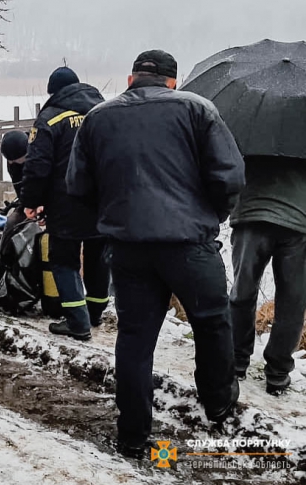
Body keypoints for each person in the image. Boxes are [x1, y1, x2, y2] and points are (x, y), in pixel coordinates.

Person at [66, 50, 245, 458]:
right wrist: (212, 214)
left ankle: (132, 433)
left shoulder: (98, 118)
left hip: (128, 248)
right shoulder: (198, 110)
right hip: (189, 244)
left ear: (131, 80)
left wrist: (113, 218)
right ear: (172, 82)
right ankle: (217, 402)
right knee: (212, 322)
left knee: (134, 337)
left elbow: (78, 185)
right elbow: (230, 175)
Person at [21, 67, 108, 341]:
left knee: (63, 260)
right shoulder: (104, 111)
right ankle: (95, 313)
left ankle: (77, 321)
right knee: (98, 256)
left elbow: (37, 165)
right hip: (104, 199)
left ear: (53, 92)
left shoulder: (50, 117)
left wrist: (31, 201)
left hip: (66, 200)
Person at [230, 156, 306, 396]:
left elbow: (227, 162)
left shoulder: (251, 124)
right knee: (293, 301)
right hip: (298, 220)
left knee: (242, 292)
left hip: (251, 214)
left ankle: (235, 361)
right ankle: (278, 372)